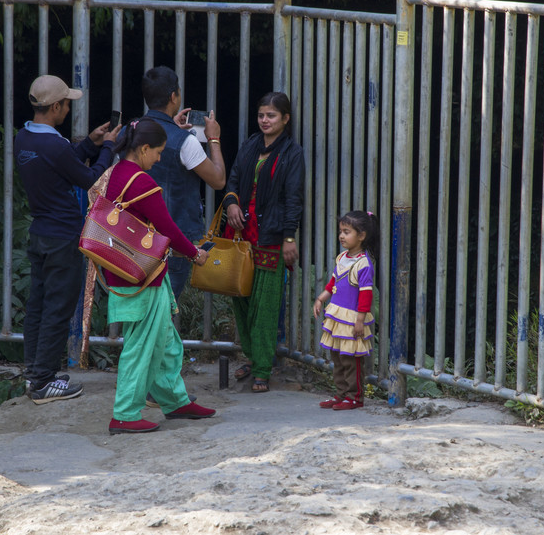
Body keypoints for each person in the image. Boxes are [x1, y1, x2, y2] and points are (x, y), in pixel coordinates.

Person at [103, 117, 217, 434]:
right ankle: (124, 415)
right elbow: (167, 227)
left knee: (166, 343)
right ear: (144, 148)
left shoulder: (114, 173)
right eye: (158, 152)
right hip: (143, 276)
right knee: (142, 347)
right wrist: (195, 254)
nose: (158, 158)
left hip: (127, 270)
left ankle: (176, 402)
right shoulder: (141, 182)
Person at [14, 74, 120, 404]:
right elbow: (88, 176)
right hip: (62, 237)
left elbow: (63, 161)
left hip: (41, 234)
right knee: (58, 309)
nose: (68, 110)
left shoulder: (24, 138)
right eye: (67, 105)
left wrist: (90, 142)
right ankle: (44, 383)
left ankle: (36, 372)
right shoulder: (55, 145)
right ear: (56, 106)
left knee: (38, 306)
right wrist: (109, 149)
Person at [225, 92, 304, 393]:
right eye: (261, 115)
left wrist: (288, 237)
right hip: (242, 234)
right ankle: (253, 355)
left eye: (271, 115)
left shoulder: (292, 153)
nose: (265, 120)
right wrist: (232, 203)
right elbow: (233, 179)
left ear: (285, 119)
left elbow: (293, 200)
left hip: (271, 238)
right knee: (241, 299)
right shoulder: (249, 145)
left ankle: (261, 368)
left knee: (266, 306)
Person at [141, 66, 226, 301]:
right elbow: (218, 180)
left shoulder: (130, 131)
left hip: (132, 238)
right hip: (172, 243)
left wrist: (168, 127)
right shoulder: (184, 142)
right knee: (162, 313)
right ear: (173, 97)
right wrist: (213, 138)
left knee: (139, 311)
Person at [312, 211, 380, 410]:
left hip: (352, 319)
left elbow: (366, 295)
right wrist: (320, 299)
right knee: (338, 357)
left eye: (347, 232)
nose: (341, 236)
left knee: (351, 360)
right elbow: (334, 282)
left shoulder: (364, 264)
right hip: (338, 316)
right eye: (341, 231)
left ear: (362, 236)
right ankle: (341, 394)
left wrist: (360, 320)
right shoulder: (342, 257)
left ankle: (355, 397)